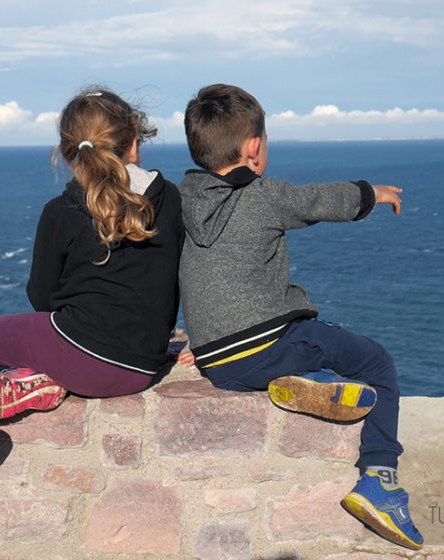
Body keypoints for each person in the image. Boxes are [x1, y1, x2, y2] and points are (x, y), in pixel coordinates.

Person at [177, 83, 423, 550]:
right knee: (376, 363)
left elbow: (190, 273)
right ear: (254, 148)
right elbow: (318, 200)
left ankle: (313, 377)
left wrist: (197, 335)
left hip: (217, 360)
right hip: (267, 343)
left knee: (306, 348)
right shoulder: (263, 196)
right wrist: (373, 193)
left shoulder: (186, 202)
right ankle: (380, 480)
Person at [0, 88, 184, 515]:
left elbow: (41, 298)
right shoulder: (168, 198)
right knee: (60, 342)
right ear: (135, 142)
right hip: (142, 367)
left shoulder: (60, 211)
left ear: (68, 155)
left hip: (82, 358)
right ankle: (36, 381)